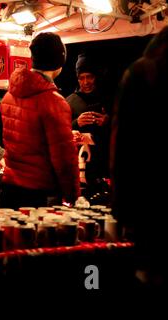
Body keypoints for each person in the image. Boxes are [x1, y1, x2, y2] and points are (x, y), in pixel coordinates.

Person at [110, 26, 168, 292]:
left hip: (150, 206)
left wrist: (122, 211)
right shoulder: (144, 72)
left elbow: (124, 147)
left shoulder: (142, 71)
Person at [0, 32, 80, 209]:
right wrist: (73, 196)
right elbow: (64, 159)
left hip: (9, 189)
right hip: (38, 195)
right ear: (60, 61)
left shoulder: (9, 95)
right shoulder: (54, 102)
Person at [66, 54, 111, 194]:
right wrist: (75, 123)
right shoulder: (70, 101)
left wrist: (107, 121)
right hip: (78, 167)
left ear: (96, 77)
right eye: (81, 78)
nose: (85, 82)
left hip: (103, 165)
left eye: (89, 77)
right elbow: (60, 130)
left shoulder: (107, 98)